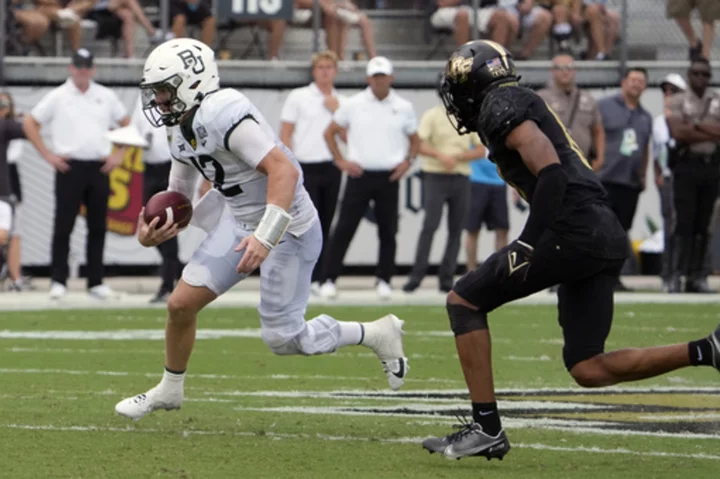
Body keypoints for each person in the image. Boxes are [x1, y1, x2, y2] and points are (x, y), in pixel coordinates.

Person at [421, 40, 720, 461]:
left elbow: (552, 172)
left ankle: (486, 428)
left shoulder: (499, 102)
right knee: (587, 367)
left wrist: (528, 241)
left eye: (458, 85)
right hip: (600, 230)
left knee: (464, 301)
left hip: (573, 229)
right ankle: (708, 349)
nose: (456, 98)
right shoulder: (513, 100)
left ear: (477, 81)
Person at [114, 39, 408, 420]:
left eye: (165, 90)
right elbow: (180, 196)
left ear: (192, 82)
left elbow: (284, 170)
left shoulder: (223, 111)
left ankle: (375, 333)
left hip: (288, 226)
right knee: (180, 304)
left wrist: (266, 235)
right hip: (239, 219)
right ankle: (170, 390)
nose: (159, 101)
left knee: (284, 339)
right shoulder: (178, 127)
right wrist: (151, 230)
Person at [23, 48, 131, 300]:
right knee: (63, 225)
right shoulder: (59, 96)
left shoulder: (105, 95)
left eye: (87, 67)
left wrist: (119, 154)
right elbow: (30, 122)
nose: (83, 71)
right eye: (78, 66)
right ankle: (58, 280)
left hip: (98, 166)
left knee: (98, 226)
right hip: (69, 167)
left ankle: (96, 282)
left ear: (93, 69)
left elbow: (127, 123)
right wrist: (47, 154)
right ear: (71, 68)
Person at [319, 56, 419, 300]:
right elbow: (329, 133)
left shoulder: (403, 107)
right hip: (359, 175)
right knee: (343, 229)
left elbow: (415, 139)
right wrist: (341, 161)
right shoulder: (354, 104)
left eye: (383, 76)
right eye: (375, 77)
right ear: (368, 79)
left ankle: (384, 279)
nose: (379, 81)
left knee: (388, 231)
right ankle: (328, 279)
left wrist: (407, 163)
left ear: (391, 78)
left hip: (389, 177)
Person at [403, 77, 485, 294]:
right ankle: (417, 275)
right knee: (430, 225)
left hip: (460, 176)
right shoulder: (432, 115)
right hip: (435, 175)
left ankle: (446, 277)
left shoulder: (467, 117)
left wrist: (458, 157)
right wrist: (441, 155)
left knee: (456, 228)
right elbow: (418, 144)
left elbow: (480, 149)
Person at [280, 51, 344, 294]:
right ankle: (301, 276)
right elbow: (286, 132)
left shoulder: (342, 101)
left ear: (335, 71)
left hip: (330, 166)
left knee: (327, 223)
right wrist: (289, 164)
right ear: (314, 71)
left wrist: (336, 110)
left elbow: (349, 137)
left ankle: (321, 278)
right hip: (304, 167)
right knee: (305, 224)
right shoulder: (299, 96)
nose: (325, 71)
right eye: (321, 67)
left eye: (329, 67)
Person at [666, 58, 720, 293]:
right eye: (696, 73)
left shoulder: (717, 100)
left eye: (705, 74)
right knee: (683, 221)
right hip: (686, 165)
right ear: (689, 75)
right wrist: (709, 131)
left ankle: (698, 275)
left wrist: (695, 125)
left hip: (712, 166)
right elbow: (678, 132)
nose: (701, 78)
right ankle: (677, 274)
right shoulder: (678, 99)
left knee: (704, 223)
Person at [597, 68, 653, 291]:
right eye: (633, 80)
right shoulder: (604, 107)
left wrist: (643, 174)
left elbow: (645, 148)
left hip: (629, 182)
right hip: (605, 178)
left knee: (621, 232)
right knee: (601, 229)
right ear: (623, 82)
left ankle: (614, 277)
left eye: (641, 81)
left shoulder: (645, 116)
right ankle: (596, 277)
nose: (636, 85)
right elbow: (595, 135)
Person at [132, 96, 182, 303]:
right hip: (150, 167)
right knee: (150, 224)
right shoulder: (141, 100)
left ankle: (167, 283)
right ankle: (177, 269)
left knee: (167, 226)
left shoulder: (175, 97)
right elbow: (137, 128)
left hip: (170, 167)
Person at [537, 53, 605, 172]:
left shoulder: (588, 99)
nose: (565, 72)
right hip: (551, 164)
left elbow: (598, 131)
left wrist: (600, 157)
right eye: (560, 68)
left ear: (575, 71)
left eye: (569, 67)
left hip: (582, 163)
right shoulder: (541, 98)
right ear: (553, 71)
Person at [652, 73, 687, 292]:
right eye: (666, 91)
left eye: (673, 91)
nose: (668, 95)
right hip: (668, 178)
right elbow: (656, 153)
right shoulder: (658, 121)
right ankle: (669, 275)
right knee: (669, 228)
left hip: (687, 177)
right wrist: (657, 175)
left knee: (690, 228)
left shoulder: (689, 118)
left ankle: (687, 273)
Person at [0, 93, 27, 285]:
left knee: (14, 231)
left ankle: (15, 277)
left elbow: (13, 155)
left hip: (9, 178)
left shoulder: (13, 126)